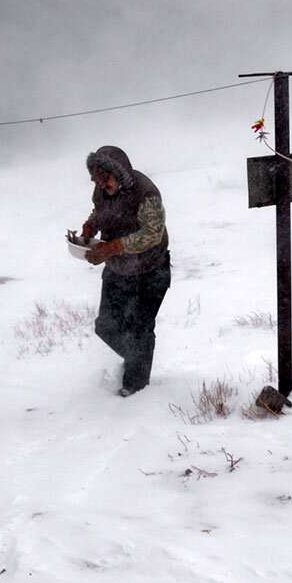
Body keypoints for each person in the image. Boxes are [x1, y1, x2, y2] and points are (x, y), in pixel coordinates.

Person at [71, 146, 170, 397]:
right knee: (106, 326)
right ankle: (137, 358)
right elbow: (100, 211)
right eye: (96, 179)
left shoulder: (145, 193)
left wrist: (113, 247)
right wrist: (90, 226)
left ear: (118, 173)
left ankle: (136, 390)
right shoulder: (102, 191)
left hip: (150, 271)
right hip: (117, 270)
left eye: (105, 178)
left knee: (139, 328)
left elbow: (152, 234)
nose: (101, 184)